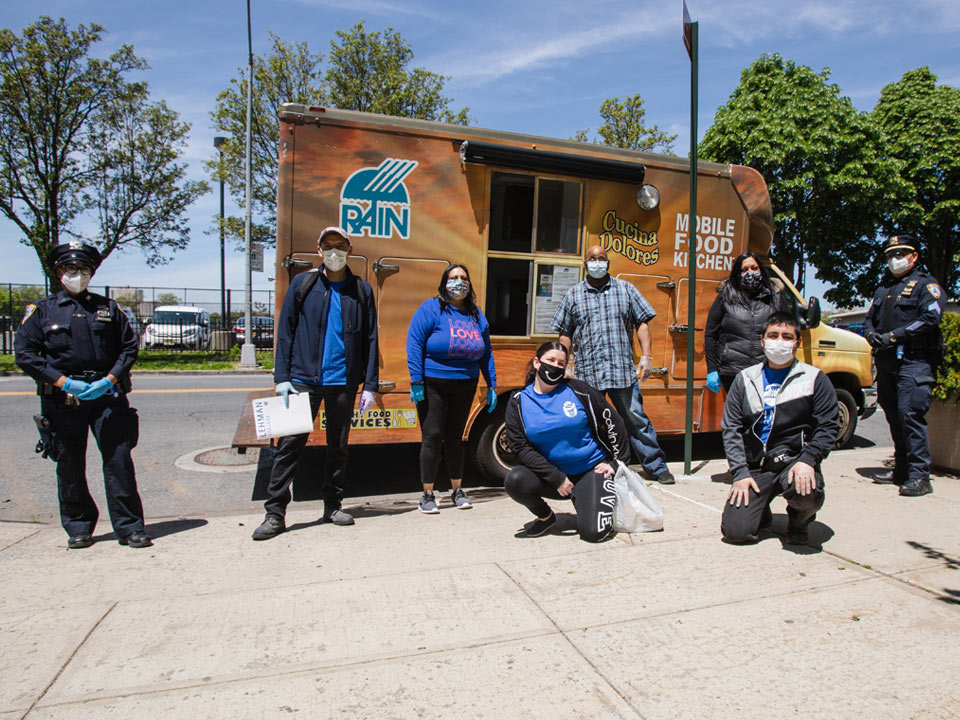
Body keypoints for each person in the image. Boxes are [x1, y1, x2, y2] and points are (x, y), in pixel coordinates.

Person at [15, 242, 150, 549]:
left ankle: (130, 527)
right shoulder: (42, 311)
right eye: (71, 270)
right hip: (64, 398)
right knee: (70, 464)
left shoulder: (108, 309)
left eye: (84, 270)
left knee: (119, 462)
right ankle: (79, 526)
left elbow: (129, 347)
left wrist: (110, 379)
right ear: (59, 272)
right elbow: (24, 354)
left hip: (107, 396)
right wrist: (62, 381)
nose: (78, 275)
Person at [252, 226, 378, 540]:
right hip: (302, 382)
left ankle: (333, 506)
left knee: (339, 447)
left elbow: (372, 339)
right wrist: (281, 377)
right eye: (328, 245)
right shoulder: (303, 284)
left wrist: (371, 384)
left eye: (340, 245)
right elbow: (285, 334)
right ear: (318, 250)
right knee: (290, 446)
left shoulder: (361, 291)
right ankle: (275, 513)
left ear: (349, 248)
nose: (334, 251)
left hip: (343, 383)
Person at [551, 245, 675, 484]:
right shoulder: (573, 294)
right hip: (588, 374)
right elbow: (564, 332)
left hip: (622, 372)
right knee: (588, 425)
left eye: (602, 259)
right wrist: (565, 362)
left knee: (636, 420)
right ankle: (593, 468)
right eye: (592, 259)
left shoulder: (626, 289)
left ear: (608, 263)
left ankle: (656, 467)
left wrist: (647, 357)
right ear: (585, 263)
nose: (597, 262)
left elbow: (642, 324)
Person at [720, 311, 839, 546]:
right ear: (763, 340)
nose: (779, 342)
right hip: (757, 467)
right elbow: (731, 428)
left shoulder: (814, 379)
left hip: (793, 463)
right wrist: (740, 473)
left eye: (787, 336)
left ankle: (799, 523)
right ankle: (760, 511)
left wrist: (808, 460)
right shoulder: (745, 379)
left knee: (808, 493)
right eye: (773, 335)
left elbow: (828, 426)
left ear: (797, 342)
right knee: (736, 532)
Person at [504, 341, 631, 541]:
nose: (555, 366)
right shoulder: (518, 401)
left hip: (591, 469)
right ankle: (546, 517)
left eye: (561, 363)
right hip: (553, 477)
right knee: (515, 480)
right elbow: (519, 447)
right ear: (537, 362)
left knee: (594, 533)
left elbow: (615, 422)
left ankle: (590, 498)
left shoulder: (580, 391)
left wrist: (617, 462)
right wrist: (556, 477)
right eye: (550, 360)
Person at [406, 264, 497, 513]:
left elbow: (486, 352)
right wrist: (416, 380)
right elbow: (414, 342)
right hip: (432, 383)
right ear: (444, 282)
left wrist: (492, 384)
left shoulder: (476, 314)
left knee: (456, 438)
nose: (459, 282)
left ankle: (457, 490)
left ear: (469, 284)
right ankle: (427, 494)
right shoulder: (431, 308)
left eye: (463, 278)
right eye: (453, 277)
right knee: (433, 436)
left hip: (465, 384)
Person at [864, 235, 945, 497]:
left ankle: (920, 476)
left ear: (913, 257)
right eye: (890, 255)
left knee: (910, 416)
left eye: (900, 254)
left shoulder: (926, 285)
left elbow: (930, 318)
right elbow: (869, 319)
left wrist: (894, 336)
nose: (894, 260)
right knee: (892, 415)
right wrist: (871, 334)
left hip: (914, 361)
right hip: (887, 362)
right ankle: (900, 470)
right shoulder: (885, 287)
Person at [704, 251, 787, 393]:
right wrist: (712, 369)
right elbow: (711, 335)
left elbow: (789, 332)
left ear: (761, 269)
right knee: (738, 413)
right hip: (733, 371)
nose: (750, 273)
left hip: (767, 370)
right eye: (744, 270)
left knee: (763, 412)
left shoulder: (775, 298)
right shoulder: (726, 297)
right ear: (738, 273)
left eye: (754, 268)